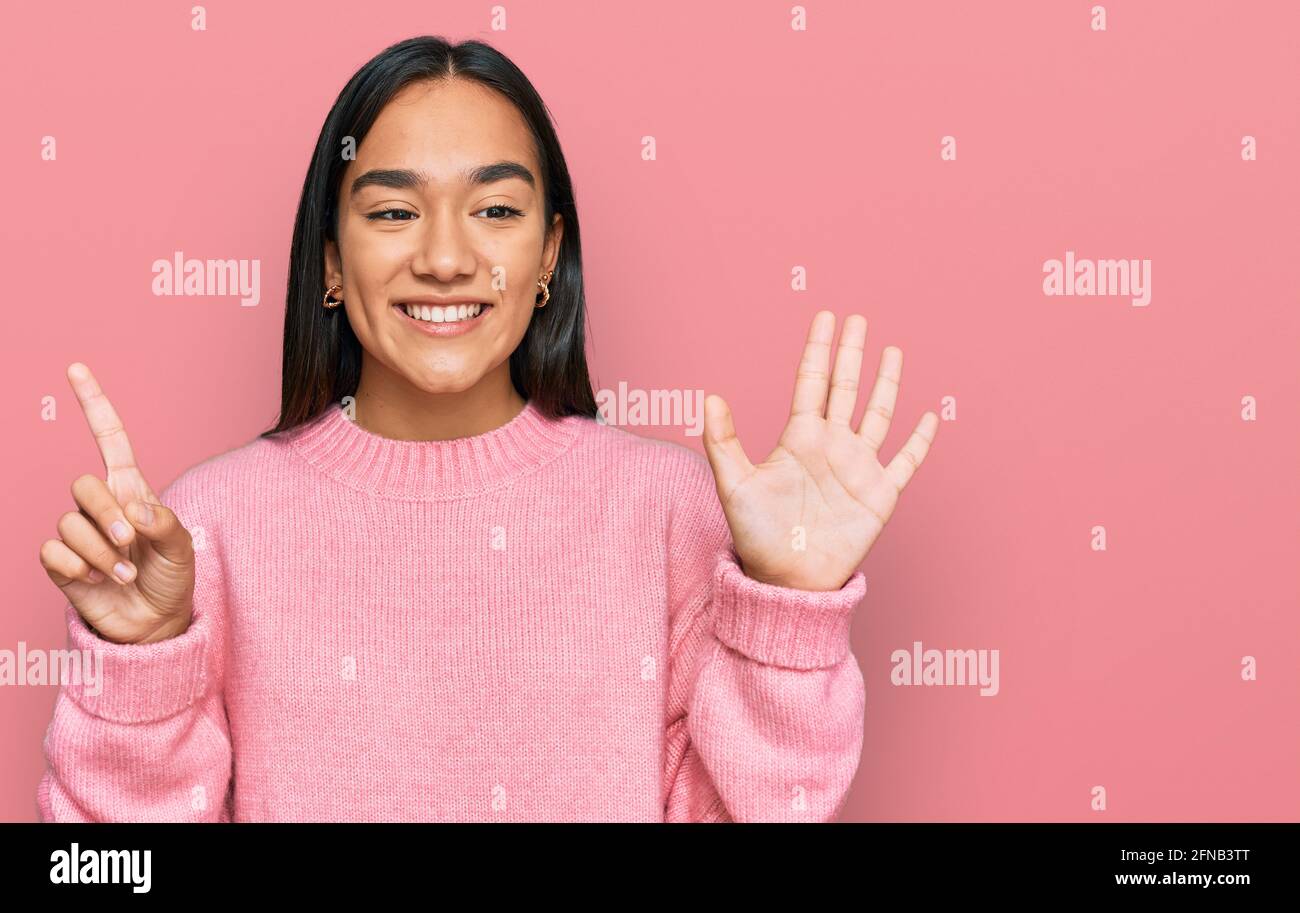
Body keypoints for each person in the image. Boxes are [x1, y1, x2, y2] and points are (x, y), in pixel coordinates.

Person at [36, 36, 938, 822]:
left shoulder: (678, 515)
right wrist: (140, 667)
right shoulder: (207, 527)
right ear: (330, 263)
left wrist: (790, 610)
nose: (444, 257)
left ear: (549, 254)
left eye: (497, 210)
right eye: (392, 211)